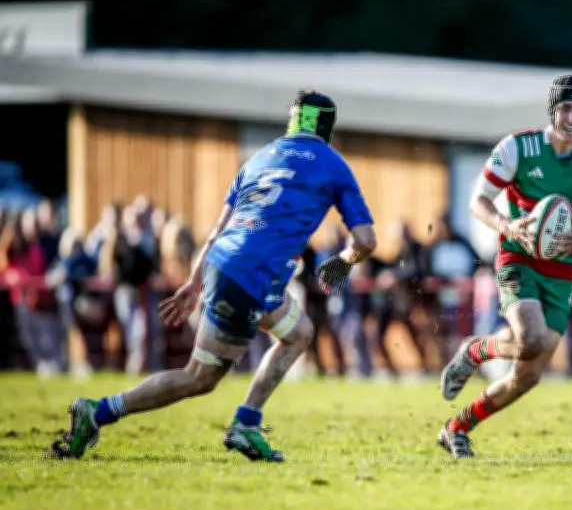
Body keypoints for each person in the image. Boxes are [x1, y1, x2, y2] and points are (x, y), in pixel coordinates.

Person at [53, 90, 377, 462]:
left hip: (228, 266)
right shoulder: (334, 165)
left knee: (299, 332)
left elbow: (217, 230)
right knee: (199, 377)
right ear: (327, 126)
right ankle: (99, 412)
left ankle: (247, 421)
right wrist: (344, 260)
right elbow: (366, 239)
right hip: (252, 277)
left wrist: (194, 281)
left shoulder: (257, 160)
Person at [437, 75, 572, 459]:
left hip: (563, 269)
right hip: (517, 257)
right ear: (552, 110)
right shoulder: (518, 147)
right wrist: (507, 226)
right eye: (566, 108)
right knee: (531, 338)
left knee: (528, 375)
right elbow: (479, 201)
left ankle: (456, 428)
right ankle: (477, 351)